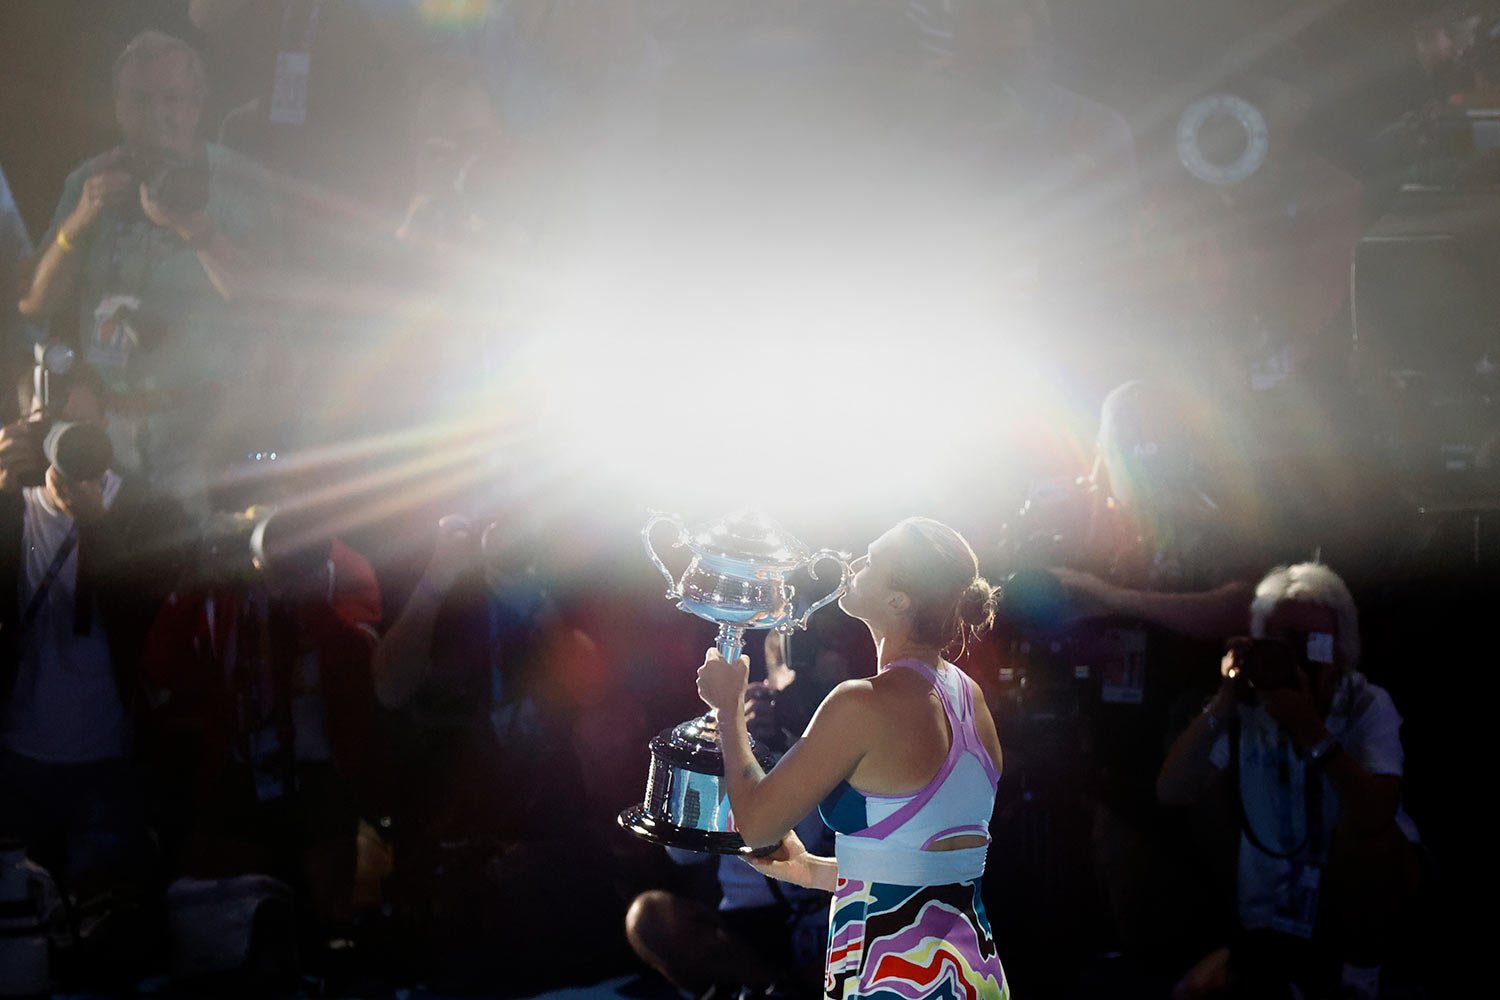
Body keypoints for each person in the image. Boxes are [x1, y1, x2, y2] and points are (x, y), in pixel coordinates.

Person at [696, 516, 1008, 1000]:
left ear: (898, 600)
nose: (852, 563)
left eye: (871, 559)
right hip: (972, 975)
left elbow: (756, 825)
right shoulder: (971, 698)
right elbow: (925, 867)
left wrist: (729, 709)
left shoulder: (860, 703)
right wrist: (809, 870)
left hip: (893, 979)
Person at [16, 30, 282, 507]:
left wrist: (191, 228)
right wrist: (79, 220)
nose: (157, 114)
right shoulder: (89, 180)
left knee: (182, 563)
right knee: (106, 565)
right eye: (140, 100)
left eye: (172, 99)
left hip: (203, 423)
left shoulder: (237, 181)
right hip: (107, 423)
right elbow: (34, 301)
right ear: (118, 107)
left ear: (197, 105)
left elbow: (269, 301)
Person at [1156, 563, 1422, 1000]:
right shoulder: (1249, 709)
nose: (1296, 659)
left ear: (1340, 646)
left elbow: (1377, 813)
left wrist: (1311, 730)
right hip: (1272, 906)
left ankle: (1359, 977)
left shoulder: (1365, 704)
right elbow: (1173, 791)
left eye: (1310, 643)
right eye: (1281, 643)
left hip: (1358, 897)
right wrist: (1225, 700)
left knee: (1366, 833)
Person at [0, 370, 187, 986]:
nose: (77, 446)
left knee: (109, 941)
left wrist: (100, 526)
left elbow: (144, 611)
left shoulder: (141, 508)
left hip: (106, 756)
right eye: (63, 429)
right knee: (20, 942)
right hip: (16, 755)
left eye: (91, 427)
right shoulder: (10, 508)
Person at [627, 631, 841, 1000]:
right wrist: (729, 749)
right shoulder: (723, 733)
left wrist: (797, 735)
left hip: (835, 893)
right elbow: (681, 854)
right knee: (647, 917)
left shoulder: (838, 723)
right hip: (754, 915)